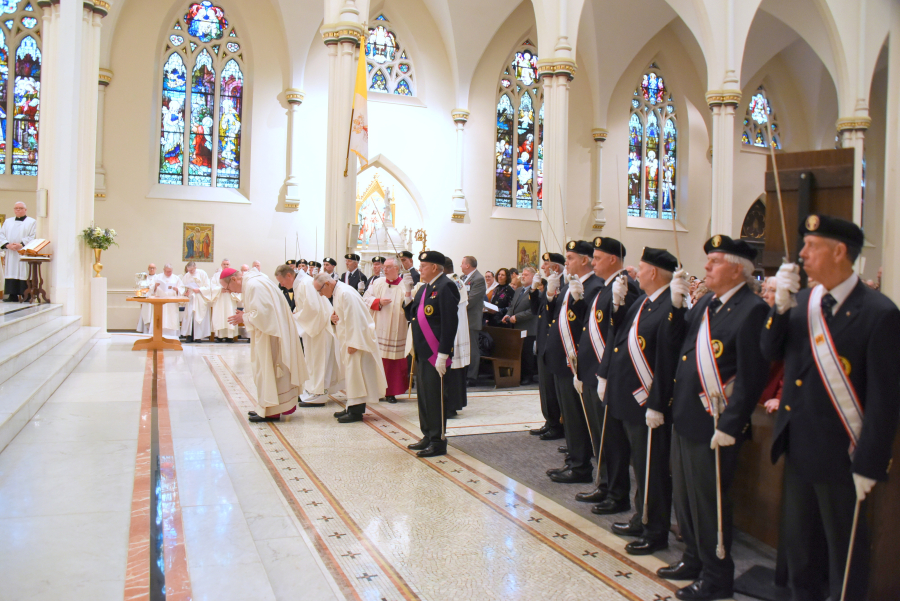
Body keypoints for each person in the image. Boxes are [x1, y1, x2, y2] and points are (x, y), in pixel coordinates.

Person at [763, 215, 900, 601]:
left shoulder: (879, 312)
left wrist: (870, 463)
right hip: (799, 450)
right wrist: (779, 309)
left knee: (845, 556)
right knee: (800, 552)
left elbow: (885, 399)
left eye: (812, 245)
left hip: (844, 457)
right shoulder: (804, 301)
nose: (802, 253)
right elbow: (769, 353)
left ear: (840, 251)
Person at [658, 235, 769, 601]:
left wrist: (730, 425)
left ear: (738, 269)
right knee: (686, 497)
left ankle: (717, 576)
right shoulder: (707, 303)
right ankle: (693, 558)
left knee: (710, 504)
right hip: (687, 416)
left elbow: (753, 376)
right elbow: (678, 345)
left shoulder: (752, 309)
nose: (706, 267)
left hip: (714, 422)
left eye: (715, 261)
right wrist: (675, 307)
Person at [597, 247, 679, 556]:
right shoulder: (645, 302)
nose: (636, 274)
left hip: (646, 402)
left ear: (654, 273)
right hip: (627, 397)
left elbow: (667, 359)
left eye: (641, 269)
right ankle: (640, 515)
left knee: (651, 468)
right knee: (639, 464)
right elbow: (620, 338)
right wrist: (618, 305)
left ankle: (655, 529)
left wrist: (657, 403)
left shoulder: (671, 305)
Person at [575, 237, 640, 508]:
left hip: (607, 374)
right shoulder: (604, 287)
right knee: (600, 436)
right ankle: (603, 484)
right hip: (592, 371)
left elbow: (623, 331)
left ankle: (617, 493)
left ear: (613, 259)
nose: (593, 262)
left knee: (612, 440)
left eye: (598, 257)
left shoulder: (625, 287)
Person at [544, 241, 603, 484]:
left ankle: (580, 466)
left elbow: (590, 326)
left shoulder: (595, 286)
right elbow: (555, 317)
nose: (565, 263)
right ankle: (573, 459)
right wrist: (549, 294)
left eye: (570, 258)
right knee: (569, 416)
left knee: (577, 417)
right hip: (561, 360)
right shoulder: (572, 285)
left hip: (576, 363)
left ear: (585, 260)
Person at [223, 267, 308, 422]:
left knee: (267, 370)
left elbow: (263, 314)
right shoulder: (255, 280)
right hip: (270, 331)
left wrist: (244, 318)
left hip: (270, 335)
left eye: (227, 287)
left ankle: (271, 411)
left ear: (234, 279)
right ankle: (267, 407)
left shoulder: (254, 285)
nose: (229, 291)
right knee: (264, 371)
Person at [403, 250, 460, 457]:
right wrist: (408, 293)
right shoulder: (424, 288)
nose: (420, 269)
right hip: (422, 351)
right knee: (425, 396)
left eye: (423, 266)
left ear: (435, 267)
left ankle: (438, 441)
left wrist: (444, 353)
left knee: (436, 397)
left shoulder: (446, 286)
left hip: (436, 352)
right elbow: (412, 315)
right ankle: (427, 434)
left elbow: (450, 323)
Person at [314, 272, 387, 423]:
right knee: (353, 376)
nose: (320, 294)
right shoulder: (339, 291)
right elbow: (344, 316)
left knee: (357, 376)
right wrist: (334, 320)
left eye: (320, 290)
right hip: (350, 340)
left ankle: (355, 411)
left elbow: (357, 319)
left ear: (327, 284)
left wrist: (354, 342)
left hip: (356, 342)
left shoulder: (345, 293)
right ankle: (351, 405)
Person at [286, 264, 343, 407]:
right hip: (313, 328)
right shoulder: (302, 283)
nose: (281, 285)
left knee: (318, 362)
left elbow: (314, 309)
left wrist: (296, 316)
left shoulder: (305, 283)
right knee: (312, 362)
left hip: (318, 328)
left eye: (281, 281)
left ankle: (318, 394)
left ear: (288, 276)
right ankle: (311, 390)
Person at [529, 252, 565, 440]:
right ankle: (549, 421)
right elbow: (537, 310)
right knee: (545, 387)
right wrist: (534, 291)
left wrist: (551, 296)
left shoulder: (563, 285)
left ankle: (558, 424)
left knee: (553, 388)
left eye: (546, 264)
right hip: (543, 341)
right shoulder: (550, 282)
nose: (542, 267)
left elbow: (555, 315)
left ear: (555, 267)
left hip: (554, 344)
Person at [363, 257, 410, 403]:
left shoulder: (404, 285)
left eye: (388, 267)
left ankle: (391, 392)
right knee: (378, 359)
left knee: (394, 362)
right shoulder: (377, 283)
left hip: (397, 328)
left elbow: (409, 305)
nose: (385, 269)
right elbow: (365, 298)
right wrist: (378, 302)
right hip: (379, 327)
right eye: (384, 267)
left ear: (397, 268)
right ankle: (377, 390)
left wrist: (408, 294)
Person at [441, 256, 470, 415]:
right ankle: (453, 404)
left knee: (452, 368)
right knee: (455, 369)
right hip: (459, 328)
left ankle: (450, 406)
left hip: (454, 330)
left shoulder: (448, 282)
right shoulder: (456, 280)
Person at [502, 266, 537, 385]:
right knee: (519, 353)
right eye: (522, 274)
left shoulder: (535, 291)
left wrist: (517, 317)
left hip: (528, 327)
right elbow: (512, 306)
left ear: (533, 277)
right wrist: (507, 315)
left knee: (527, 353)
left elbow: (533, 311)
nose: (523, 276)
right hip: (516, 328)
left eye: (526, 275)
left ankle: (528, 376)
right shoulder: (519, 290)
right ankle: (519, 374)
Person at [0, 202, 36, 302]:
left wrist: (21, 244)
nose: (18, 210)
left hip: (23, 252)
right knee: (11, 271)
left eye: (20, 208)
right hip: (11, 252)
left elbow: (32, 235)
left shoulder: (31, 222)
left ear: (25, 210)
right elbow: (1, 235)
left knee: (23, 272)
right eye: (16, 208)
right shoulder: (8, 222)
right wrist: (7, 245)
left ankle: (26, 295)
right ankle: (12, 295)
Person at [460, 256, 485, 385]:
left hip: (471, 318)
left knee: (473, 349)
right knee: (463, 347)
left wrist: (457, 305)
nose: (461, 266)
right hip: (462, 318)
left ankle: (472, 376)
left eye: (462, 263)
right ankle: (463, 373)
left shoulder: (478, 279)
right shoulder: (463, 278)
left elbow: (472, 299)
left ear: (468, 265)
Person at [180, 261, 213, 342]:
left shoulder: (202, 273)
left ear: (195, 267)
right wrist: (185, 292)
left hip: (200, 298)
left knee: (198, 317)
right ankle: (189, 336)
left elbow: (208, 287)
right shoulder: (187, 276)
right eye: (189, 270)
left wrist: (199, 289)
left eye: (192, 270)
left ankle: (198, 336)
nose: (190, 272)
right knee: (189, 317)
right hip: (190, 298)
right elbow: (182, 286)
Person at [153, 264, 184, 339]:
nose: (169, 273)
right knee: (161, 320)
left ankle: (173, 338)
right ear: (164, 270)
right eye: (167, 272)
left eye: (170, 272)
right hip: (160, 302)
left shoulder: (176, 278)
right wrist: (155, 286)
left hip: (172, 303)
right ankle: (158, 338)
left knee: (172, 320)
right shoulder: (158, 277)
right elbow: (151, 289)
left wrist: (177, 290)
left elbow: (182, 289)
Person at [210, 258, 239, 340]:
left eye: (227, 264)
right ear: (221, 265)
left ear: (229, 265)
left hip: (230, 299)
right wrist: (220, 289)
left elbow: (238, 285)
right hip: (220, 299)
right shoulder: (216, 275)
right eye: (224, 264)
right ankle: (219, 337)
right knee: (220, 316)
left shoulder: (234, 275)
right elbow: (212, 286)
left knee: (230, 314)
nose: (226, 266)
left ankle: (230, 337)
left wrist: (231, 289)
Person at [136, 263, 158, 334]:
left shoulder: (158, 278)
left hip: (155, 300)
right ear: (148, 269)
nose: (152, 269)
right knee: (146, 314)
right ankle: (146, 332)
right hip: (146, 300)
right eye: (150, 268)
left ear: (155, 269)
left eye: (153, 268)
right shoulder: (144, 278)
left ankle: (153, 332)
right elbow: (141, 288)